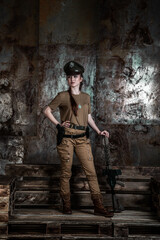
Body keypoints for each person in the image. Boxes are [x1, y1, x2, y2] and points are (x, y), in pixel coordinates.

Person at [43, 60, 114, 217]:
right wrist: (58, 125)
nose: (72, 79)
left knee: (91, 172)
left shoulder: (86, 97)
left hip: (82, 139)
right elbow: (47, 110)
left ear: (81, 78)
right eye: (69, 76)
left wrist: (98, 131)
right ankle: (66, 205)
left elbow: (88, 117)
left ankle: (98, 206)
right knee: (66, 173)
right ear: (67, 79)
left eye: (75, 76)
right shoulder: (62, 96)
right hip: (66, 139)